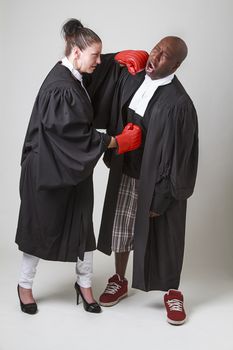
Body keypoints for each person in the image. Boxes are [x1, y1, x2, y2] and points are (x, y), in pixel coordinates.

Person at [15, 18, 142, 315]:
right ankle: (24, 285)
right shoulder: (60, 87)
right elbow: (73, 137)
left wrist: (116, 59)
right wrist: (116, 142)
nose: (99, 61)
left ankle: (84, 284)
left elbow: (96, 75)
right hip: (47, 168)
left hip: (72, 168)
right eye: (96, 56)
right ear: (75, 52)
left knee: (83, 226)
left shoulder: (75, 75)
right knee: (39, 228)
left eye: (101, 56)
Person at [91, 36, 198, 325]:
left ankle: (173, 292)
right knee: (121, 227)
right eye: (156, 48)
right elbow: (94, 71)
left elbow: (183, 156)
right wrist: (117, 58)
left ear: (176, 65)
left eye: (165, 56)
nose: (156, 55)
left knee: (166, 235)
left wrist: (163, 195)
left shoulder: (179, 104)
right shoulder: (133, 77)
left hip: (159, 180)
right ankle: (119, 279)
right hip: (128, 168)